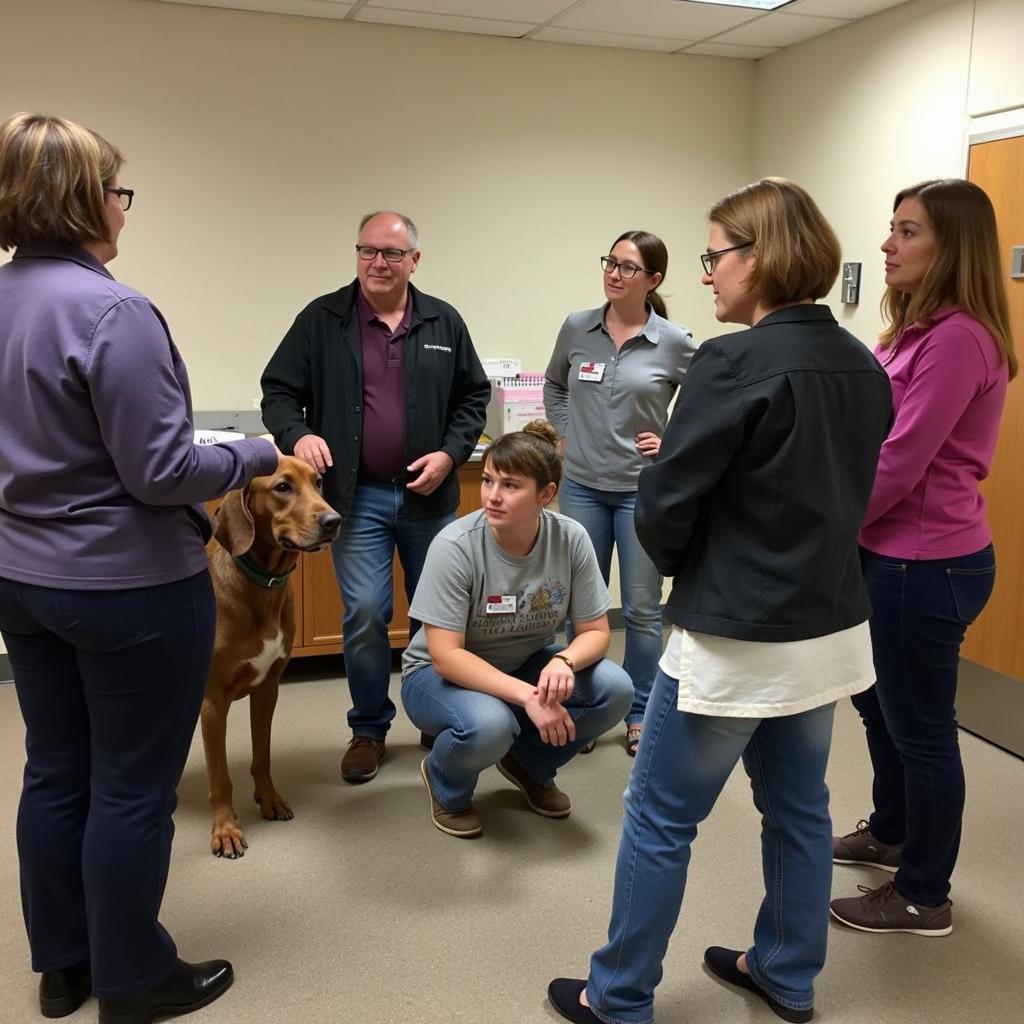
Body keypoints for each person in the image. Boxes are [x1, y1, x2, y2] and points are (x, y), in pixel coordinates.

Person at [547, 179, 892, 1024]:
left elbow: (664, 509)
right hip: (825, 631)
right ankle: (787, 971)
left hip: (735, 635)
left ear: (762, 255)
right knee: (800, 810)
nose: (705, 275)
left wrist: (676, 558)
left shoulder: (730, 362)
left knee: (661, 816)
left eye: (715, 256)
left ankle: (617, 994)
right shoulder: (861, 361)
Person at [0, 113, 279, 1022]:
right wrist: (247, 453)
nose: (123, 209)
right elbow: (161, 472)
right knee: (130, 784)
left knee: (56, 769)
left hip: (22, 579)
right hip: (126, 588)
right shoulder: (111, 310)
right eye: (117, 191)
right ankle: (132, 979)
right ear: (85, 201)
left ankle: (65, 965)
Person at [830, 179, 1016, 937]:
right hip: (890, 553)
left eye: (907, 232)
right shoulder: (911, 331)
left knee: (924, 729)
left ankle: (922, 893)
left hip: (925, 561)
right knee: (878, 704)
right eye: (892, 228)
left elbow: (900, 462)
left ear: (951, 247)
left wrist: (825, 528)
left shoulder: (959, 339)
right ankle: (892, 828)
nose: (886, 244)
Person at [261, 211, 490, 784]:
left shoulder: (443, 321)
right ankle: (368, 727)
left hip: (428, 497)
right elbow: (279, 391)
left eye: (390, 253)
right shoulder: (322, 319)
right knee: (365, 613)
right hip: (352, 497)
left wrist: (450, 454)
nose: (377, 263)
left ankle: (437, 716)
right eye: (367, 251)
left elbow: (473, 397)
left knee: (438, 615)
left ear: (415, 259)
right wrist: (300, 435)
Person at [399, 421, 633, 838]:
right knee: (491, 726)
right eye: (489, 480)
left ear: (546, 494)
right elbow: (445, 655)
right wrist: (528, 697)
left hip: (523, 663)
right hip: (438, 677)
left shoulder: (570, 538)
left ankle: (529, 765)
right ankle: (445, 782)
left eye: (510, 485)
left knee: (615, 689)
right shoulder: (455, 546)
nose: (492, 495)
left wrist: (564, 659)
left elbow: (596, 630)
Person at [544, 231, 696, 756]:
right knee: (579, 609)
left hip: (639, 492)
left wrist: (672, 441)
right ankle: (584, 709)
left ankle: (638, 713)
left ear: (652, 280)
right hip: (582, 487)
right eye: (611, 261)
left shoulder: (673, 341)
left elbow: (707, 407)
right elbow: (555, 384)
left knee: (641, 610)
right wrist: (564, 433)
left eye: (628, 267)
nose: (614, 273)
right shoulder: (577, 327)